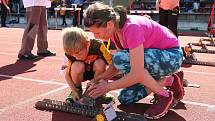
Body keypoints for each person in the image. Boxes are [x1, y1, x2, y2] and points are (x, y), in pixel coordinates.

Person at [83, 2, 184, 119]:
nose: (96, 37)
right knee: (125, 98)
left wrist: (107, 87)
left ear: (109, 24)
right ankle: (168, 81)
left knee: (120, 59)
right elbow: (116, 66)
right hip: (154, 58)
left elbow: (137, 72)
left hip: (172, 56)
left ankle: (165, 96)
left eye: (97, 32)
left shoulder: (132, 28)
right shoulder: (115, 31)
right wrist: (98, 79)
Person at [61, 27, 114, 103]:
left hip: (97, 74)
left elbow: (113, 65)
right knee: (77, 65)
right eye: (72, 55)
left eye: (78, 53)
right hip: (82, 73)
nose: (76, 57)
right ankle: (77, 90)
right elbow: (66, 74)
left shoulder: (99, 46)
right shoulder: (69, 52)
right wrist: (74, 90)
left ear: (87, 44)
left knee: (100, 63)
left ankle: (96, 90)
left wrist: (103, 82)